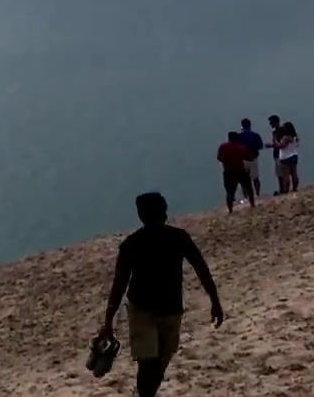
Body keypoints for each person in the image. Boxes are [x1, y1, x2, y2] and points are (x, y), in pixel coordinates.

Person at [100, 192, 224, 397]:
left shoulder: (135, 243)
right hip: (151, 311)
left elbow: (119, 285)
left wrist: (108, 320)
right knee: (151, 363)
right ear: (164, 212)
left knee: (155, 365)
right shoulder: (174, 238)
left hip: (161, 310)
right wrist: (214, 300)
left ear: (140, 215)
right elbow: (201, 269)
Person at [217, 132, 255, 211]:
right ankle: (252, 204)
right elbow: (249, 158)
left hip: (228, 171)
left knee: (230, 191)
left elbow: (219, 157)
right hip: (240, 170)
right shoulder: (241, 147)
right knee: (248, 188)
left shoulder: (223, 147)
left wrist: (225, 161)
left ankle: (230, 209)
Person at [236, 118, 266, 196]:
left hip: (243, 160)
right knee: (255, 178)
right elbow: (260, 146)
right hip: (253, 158)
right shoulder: (255, 135)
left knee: (244, 180)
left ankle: (246, 197)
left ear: (242, 126)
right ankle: (257, 194)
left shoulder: (239, 136)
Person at [275, 120, 301, 195]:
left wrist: (276, 141)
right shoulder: (295, 137)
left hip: (285, 157)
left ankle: (286, 190)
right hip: (294, 155)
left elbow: (281, 146)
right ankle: (295, 188)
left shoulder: (286, 137)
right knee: (294, 173)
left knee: (286, 175)